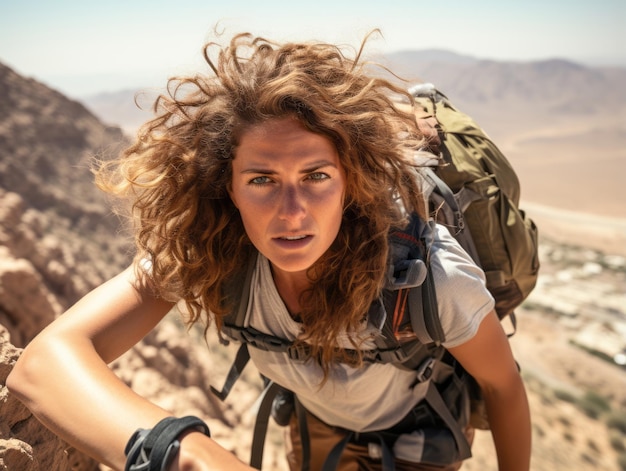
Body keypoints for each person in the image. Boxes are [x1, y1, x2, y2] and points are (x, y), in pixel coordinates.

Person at [7, 30, 531, 471]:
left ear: (351, 184)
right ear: (227, 187)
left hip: (420, 439)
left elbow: (504, 388)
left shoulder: (428, 275)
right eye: (262, 180)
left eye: (316, 176)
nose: (292, 210)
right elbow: (44, 365)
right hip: (313, 425)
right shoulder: (210, 251)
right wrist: (191, 455)